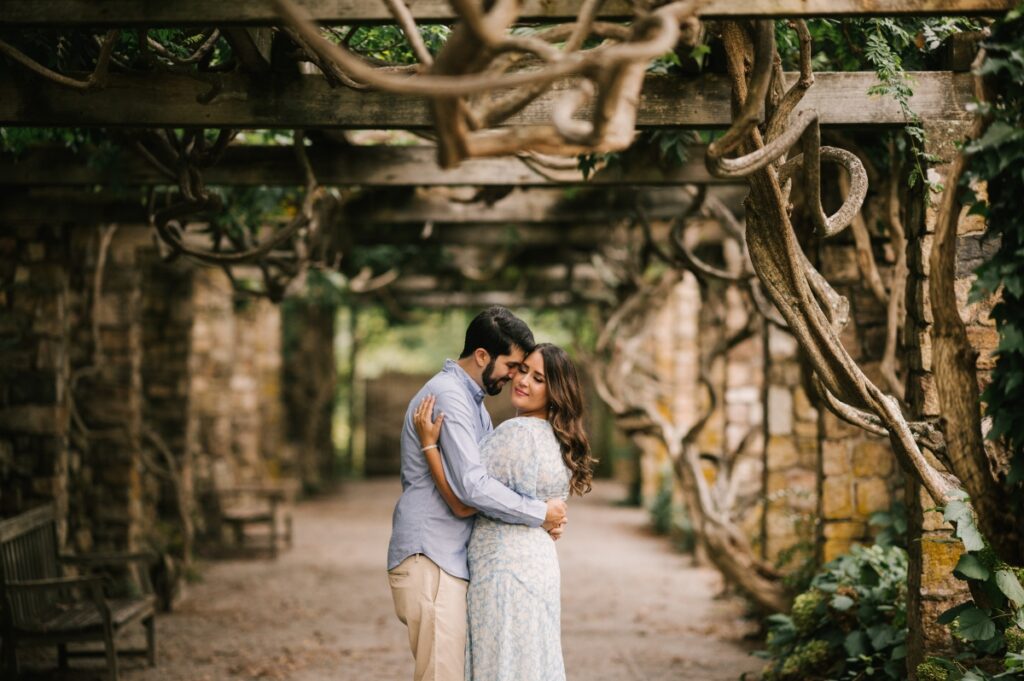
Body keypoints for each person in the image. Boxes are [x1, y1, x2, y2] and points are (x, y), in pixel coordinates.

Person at [387, 308, 568, 681]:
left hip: (447, 559)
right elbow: (472, 490)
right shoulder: (449, 397)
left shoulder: (474, 404)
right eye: (514, 365)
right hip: (431, 555)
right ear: (483, 356)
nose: (515, 376)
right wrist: (540, 513)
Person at [413, 343, 595, 681]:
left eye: (538, 378)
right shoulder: (558, 438)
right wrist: (547, 516)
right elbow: (549, 503)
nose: (522, 381)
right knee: (531, 664)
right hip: (539, 567)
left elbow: (464, 499)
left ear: (555, 391)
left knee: (501, 665)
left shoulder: (516, 433)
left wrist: (429, 446)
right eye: (523, 370)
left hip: (503, 570)